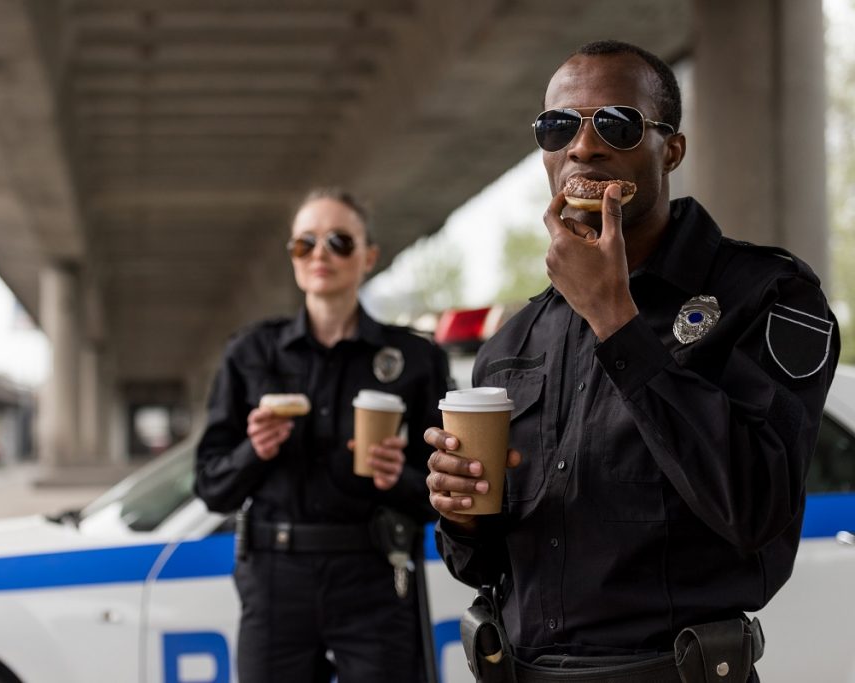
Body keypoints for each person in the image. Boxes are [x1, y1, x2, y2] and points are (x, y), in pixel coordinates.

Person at [424, 40, 839, 682]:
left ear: (670, 149)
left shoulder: (765, 295)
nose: (582, 147)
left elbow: (754, 509)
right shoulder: (516, 340)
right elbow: (482, 565)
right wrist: (461, 516)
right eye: (558, 126)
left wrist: (615, 320)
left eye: (615, 123)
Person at [195, 187, 451, 683]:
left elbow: (444, 497)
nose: (320, 255)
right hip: (275, 576)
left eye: (339, 241)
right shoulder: (250, 352)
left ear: (369, 256)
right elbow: (211, 487)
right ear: (291, 255)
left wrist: (400, 476)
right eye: (304, 243)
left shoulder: (415, 360)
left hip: (375, 571)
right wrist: (256, 450)